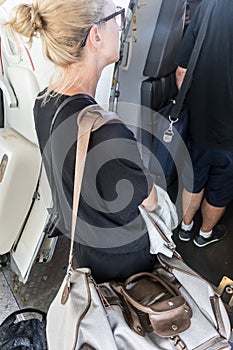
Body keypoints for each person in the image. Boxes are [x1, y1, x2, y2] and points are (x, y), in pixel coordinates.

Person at [6, 0, 158, 283]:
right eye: (117, 17)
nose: (122, 25)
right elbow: (150, 201)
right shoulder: (108, 132)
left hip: (83, 248)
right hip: (124, 266)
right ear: (95, 35)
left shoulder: (42, 103)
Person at [175, 0, 233, 247]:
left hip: (200, 125)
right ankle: (205, 235)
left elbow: (181, 72)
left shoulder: (209, 7)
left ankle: (185, 228)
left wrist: (195, 105)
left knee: (194, 178)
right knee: (220, 188)